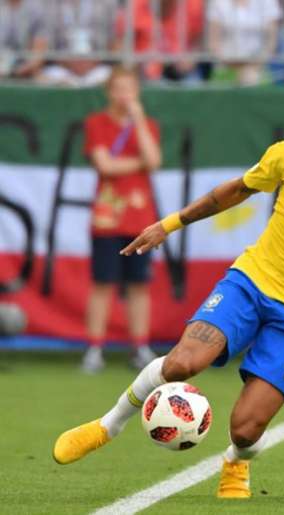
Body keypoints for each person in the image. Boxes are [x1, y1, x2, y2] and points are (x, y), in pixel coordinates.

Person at [53, 91, 284, 500]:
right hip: (251, 282)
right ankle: (107, 425)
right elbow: (235, 191)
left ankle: (236, 462)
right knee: (184, 362)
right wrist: (168, 225)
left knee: (246, 428)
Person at [81, 66, 162, 373]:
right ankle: (93, 348)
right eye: (118, 88)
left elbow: (153, 160)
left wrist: (138, 119)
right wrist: (137, 163)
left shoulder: (148, 125)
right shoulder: (97, 123)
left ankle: (139, 346)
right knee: (102, 284)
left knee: (139, 285)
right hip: (107, 219)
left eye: (130, 88)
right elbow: (105, 166)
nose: (124, 95)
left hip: (141, 220)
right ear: (109, 92)